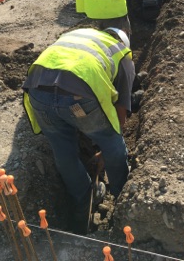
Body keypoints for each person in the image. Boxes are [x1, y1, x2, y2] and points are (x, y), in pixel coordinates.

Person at [22, 27, 135, 234]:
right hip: (77, 98)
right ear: (124, 43)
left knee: (63, 152)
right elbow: (120, 111)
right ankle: (122, 198)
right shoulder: (123, 55)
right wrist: (108, 147)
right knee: (113, 144)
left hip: (38, 91)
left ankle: (82, 199)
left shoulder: (79, 35)